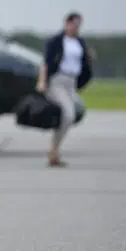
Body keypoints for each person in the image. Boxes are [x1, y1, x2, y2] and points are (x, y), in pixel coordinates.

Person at [36, 11, 93, 167]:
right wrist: (42, 82)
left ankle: (54, 151)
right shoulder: (56, 41)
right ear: (67, 24)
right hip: (57, 81)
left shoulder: (80, 42)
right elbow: (46, 63)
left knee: (70, 116)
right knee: (68, 114)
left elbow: (83, 62)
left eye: (79, 25)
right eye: (74, 24)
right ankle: (53, 151)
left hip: (72, 83)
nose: (76, 28)